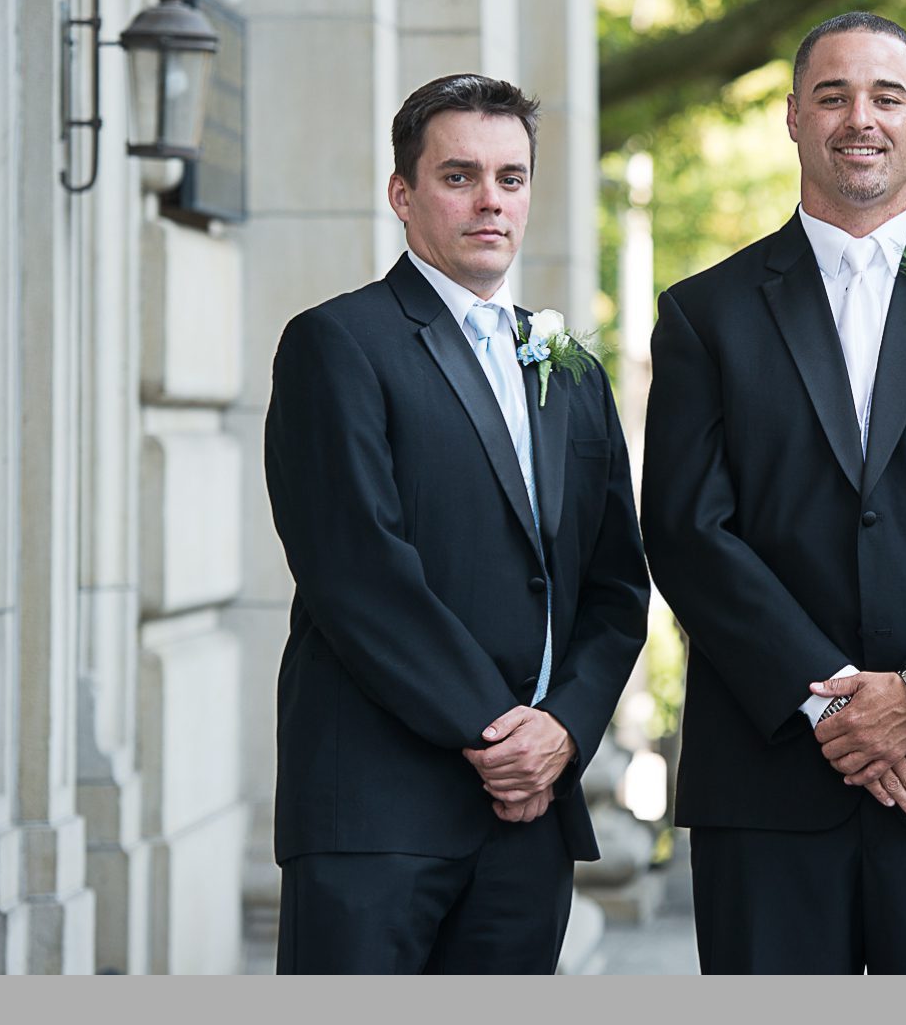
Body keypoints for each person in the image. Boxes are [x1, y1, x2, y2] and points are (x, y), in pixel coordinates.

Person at [643, 13, 906, 973]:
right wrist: (833, 708)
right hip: (769, 787)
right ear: (791, 119)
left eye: (885, 97)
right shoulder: (702, 314)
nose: (860, 118)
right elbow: (685, 529)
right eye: (832, 95)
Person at [262, 73, 650, 974]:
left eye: (510, 179)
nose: (490, 201)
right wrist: (495, 735)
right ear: (402, 195)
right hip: (375, 813)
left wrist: (560, 731)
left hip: (531, 822)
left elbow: (615, 585)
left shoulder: (572, 371)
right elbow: (356, 569)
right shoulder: (338, 345)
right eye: (459, 176)